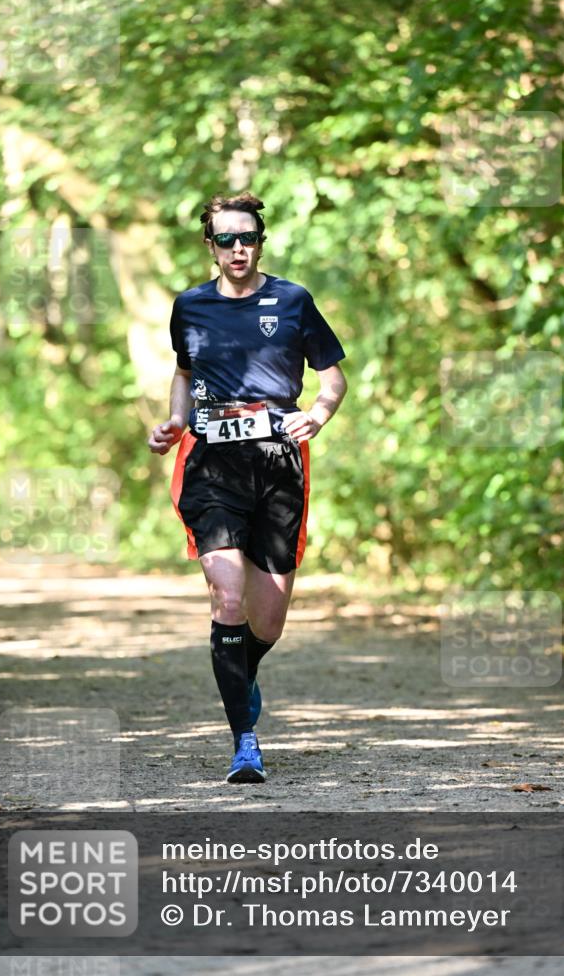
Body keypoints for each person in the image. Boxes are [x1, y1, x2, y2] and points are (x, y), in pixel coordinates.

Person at [148, 192, 347, 783]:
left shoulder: (292, 300)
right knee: (227, 596)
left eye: (248, 238)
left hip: (279, 461)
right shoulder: (189, 306)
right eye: (226, 239)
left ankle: (238, 665)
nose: (238, 249)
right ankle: (245, 741)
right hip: (211, 462)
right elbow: (185, 373)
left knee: (268, 621)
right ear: (210, 246)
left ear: (261, 241)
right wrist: (176, 422)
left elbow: (333, 377)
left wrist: (319, 412)